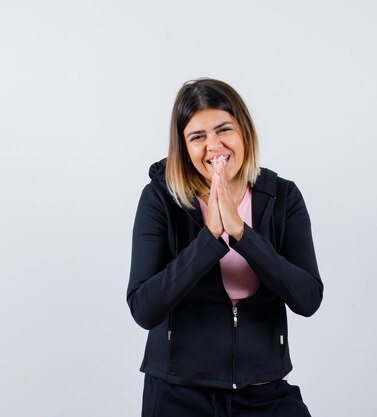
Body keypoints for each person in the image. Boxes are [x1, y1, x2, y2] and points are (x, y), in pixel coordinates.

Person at [127, 78, 323, 417]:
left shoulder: (283, 197)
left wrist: (243, 235)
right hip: (179, 394)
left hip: (264, 390)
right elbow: (144, 308)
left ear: (244, 132)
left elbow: (308, 299)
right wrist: (211, 239)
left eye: (224, 130)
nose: (214, 146)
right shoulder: (160, 199)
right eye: (198, 137)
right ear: (183, 148)